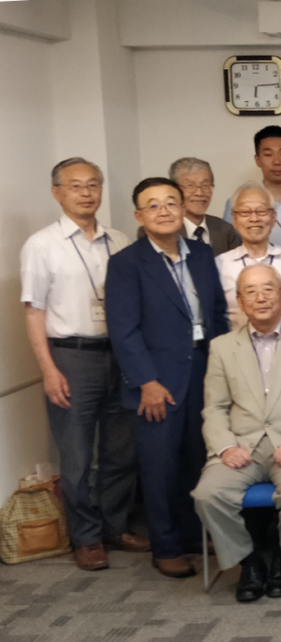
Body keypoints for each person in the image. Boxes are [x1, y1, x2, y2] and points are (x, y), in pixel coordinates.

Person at [20, 158, 147, 572]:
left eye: (93, 184)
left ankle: (114, 527)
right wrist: (48, 369)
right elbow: (34, 311)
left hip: (119, 353)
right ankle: (86, 538)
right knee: (76, 455)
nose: (86, 192)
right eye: (75, 186)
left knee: (120, 450)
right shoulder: (42, 245)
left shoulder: (119, 240)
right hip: (71, 356)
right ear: (57, 192)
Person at [192, 264, 281, 603]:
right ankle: (249, 563)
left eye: (268, 289)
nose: (261, 298)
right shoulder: (222, 347)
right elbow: (214, 408)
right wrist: (226, 447)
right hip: (241, 446)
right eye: (251, 291)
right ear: (240, 302)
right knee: (206, 494)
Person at [106, 177, 229, 578]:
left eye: (171, 203)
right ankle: (166, 546)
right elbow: (123, 330)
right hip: (156, 380)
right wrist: (146, 381)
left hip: (203, 368)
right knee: (160, 467)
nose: (164, 211)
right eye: (153, 205)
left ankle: (193, 533)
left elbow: (217, 313)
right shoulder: (126, 263)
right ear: (139, 215)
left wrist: (223, 367)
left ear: (183, 209)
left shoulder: (202, 254)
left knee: (199, 456)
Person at [216, 184, 281, 330]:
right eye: (245, 212)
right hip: (238, 343)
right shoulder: (220, 265)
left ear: (273, 217)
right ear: (234, 219)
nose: (254, 218)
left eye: (261, 211)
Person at [223, 125, 281, 253]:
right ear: (257, 160)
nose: (277, 162)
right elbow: (232, 249)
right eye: (268, 155)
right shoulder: (237, 204)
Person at [138, 158, 241, 255]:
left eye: (205, 185)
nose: (199, 193)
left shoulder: (225, 229)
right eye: (190, 186)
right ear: (174, 190)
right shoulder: (156, 229)